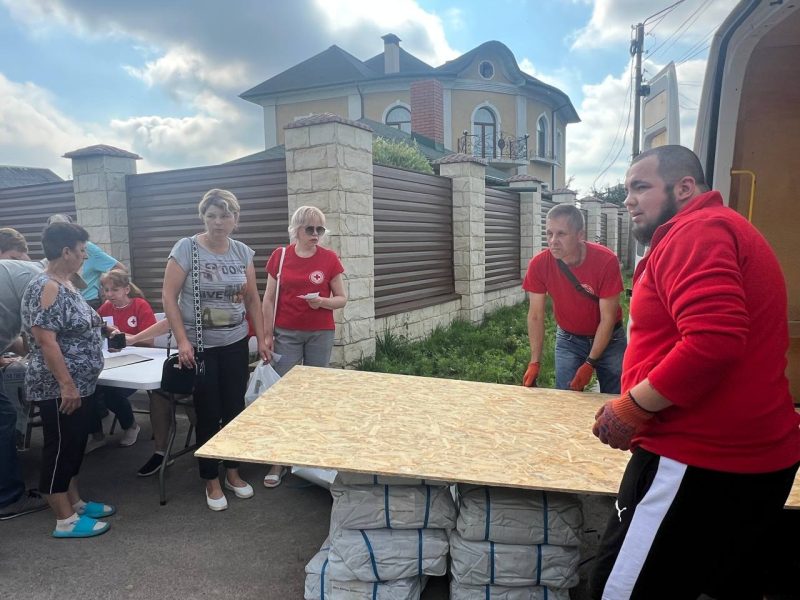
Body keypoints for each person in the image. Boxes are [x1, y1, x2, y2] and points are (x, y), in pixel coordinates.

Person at [589, 145, 800, 599]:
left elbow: (714, 340)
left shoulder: (696, 230)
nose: (628, 200)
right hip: (748, 460)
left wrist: (631, 406)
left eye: (640, 187)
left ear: (685, 188)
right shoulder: (720, 229)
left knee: (617, 592)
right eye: (627, 189)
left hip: (696, 459)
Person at [162, 188, 268, 511]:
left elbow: (252, 298)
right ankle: (210, 478)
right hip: (201, 346)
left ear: (236, 219)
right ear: (203, 217)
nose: (218, 222)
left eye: (225, 215)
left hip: (235, 343)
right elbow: (169, 297)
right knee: (208, 411)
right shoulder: (187, 248)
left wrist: (262, 338)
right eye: (211, 215)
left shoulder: (242, 253)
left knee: (235, 408)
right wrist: (182, 340)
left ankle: (233, 472)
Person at [21, 222, 122, 538]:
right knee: (60, 448)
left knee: (74, 446)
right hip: (60, 387)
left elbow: (77, 324)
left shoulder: (65, 283)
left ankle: (75, 502)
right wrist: (66, 384)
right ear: (66, 252)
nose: (83, 258)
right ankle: (64, 520)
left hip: (81, 384)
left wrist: (105, 331)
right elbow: (46, 340)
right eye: (81, 252)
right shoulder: (45, 286)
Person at [260, 205, 347, 488]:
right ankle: (279, 459)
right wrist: (266, 335)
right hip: (286, 332)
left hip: (320, 333)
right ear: (296, 229)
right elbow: (269, 299)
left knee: (315, 393)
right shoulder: (281, 256)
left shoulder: (329, 258)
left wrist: (321, 302)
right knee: (283, 393)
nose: (315, 234)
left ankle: (310, 452)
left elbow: (341, 299)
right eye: (310, 229)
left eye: (320, 229)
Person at [521, 204, 626, 393]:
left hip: (611, 340)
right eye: (549, 233)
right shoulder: (539, 264)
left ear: (580, 235)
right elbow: (535, 315)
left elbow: (607, 319)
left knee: (614, 400)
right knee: (565, 398)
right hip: (569, 339)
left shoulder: (606, 261)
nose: (553, 241)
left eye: (561, 234)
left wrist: (590, 363)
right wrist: (535, 361)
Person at [85, 269, 156, 451]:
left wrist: (123, 336)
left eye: (114, 290)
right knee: (88, 391)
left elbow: (149, 341)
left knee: (112, 393)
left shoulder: (140, 305)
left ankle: (131, 426)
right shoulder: (105, 308)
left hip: (140, 361)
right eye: (106, 290)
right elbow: (95, 329)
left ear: (126, 289)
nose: (109, 295)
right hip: (112, 359)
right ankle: (97, 435)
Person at [0, 258, 47, 520]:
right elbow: (41, 332)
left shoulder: (13, 272)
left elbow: (22, 338)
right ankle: (7, 498)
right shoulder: (37, 278)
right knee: (4, 417)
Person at [46, 214, 126, 309]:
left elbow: (120, 269)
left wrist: (106, 288)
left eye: (65, 231)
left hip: (88, 302)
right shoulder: (53, 253)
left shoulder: (88, 248)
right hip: (65, 302)